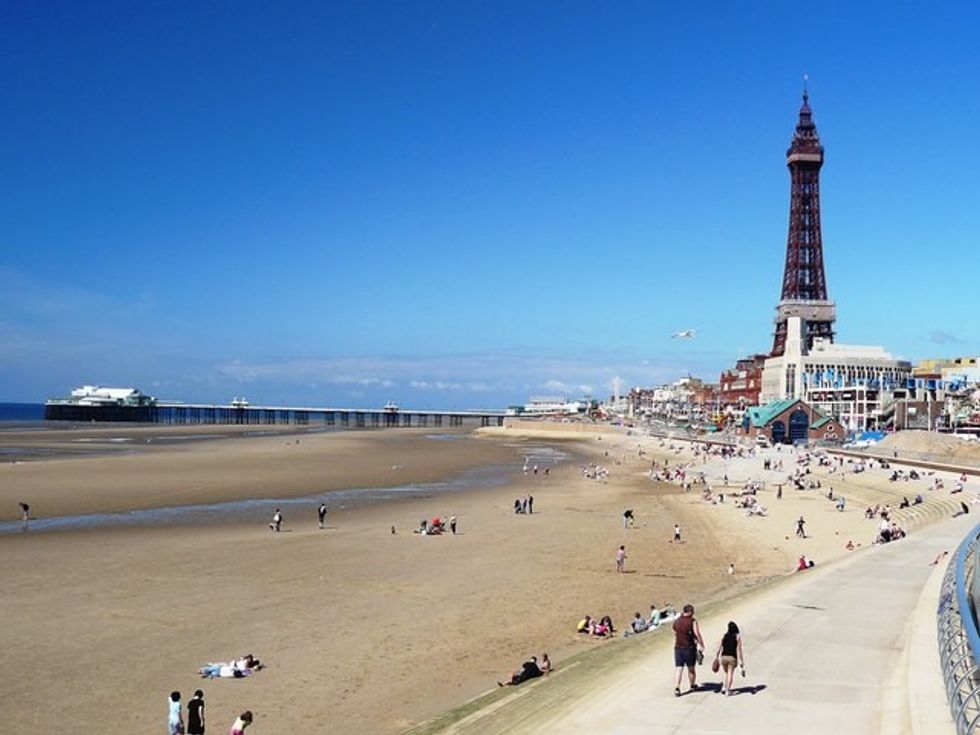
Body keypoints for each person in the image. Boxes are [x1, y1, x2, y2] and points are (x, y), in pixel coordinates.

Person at [673, 604, 705, 696]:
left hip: (678, 648)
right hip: (689, 648)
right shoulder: (692, 621)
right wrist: (701, 644)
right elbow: (697, 633)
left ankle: (677, 688)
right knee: (691, 668)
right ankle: (692, 685)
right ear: (690, 612)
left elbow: (675, 632)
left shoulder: (677, 621)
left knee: (679, 668)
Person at [713, 621, 745, 696]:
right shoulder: (737, 637)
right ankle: (728, 690)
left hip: (723, 657)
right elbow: (739, 649)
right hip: (732, 657)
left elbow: (720, 646)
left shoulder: (725, 636)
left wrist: (716, 656)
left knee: (726, 673)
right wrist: (741, 660)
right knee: (730, 674)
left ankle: (724, 687)